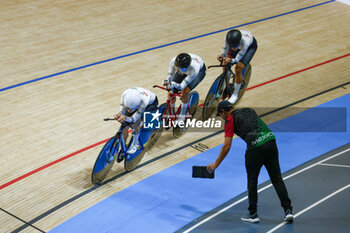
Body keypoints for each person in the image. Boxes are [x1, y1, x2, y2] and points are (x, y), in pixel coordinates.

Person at [207, 100, 294, 223]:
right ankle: (288, 211)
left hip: (255, 148)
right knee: (277, 178)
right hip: (270, 142)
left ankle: (253, 214)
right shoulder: (249, 110)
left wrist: (216, 164)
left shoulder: (229, 120)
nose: (221, 118)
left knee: (252, 181)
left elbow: (226, 146)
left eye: (220, 115)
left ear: (222, 111)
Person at [217, 29, 258, 104]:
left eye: (235, 46)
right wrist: (221, 56)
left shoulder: (245, 42)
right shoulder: (227, 39)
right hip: (239, 45)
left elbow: (237, 59)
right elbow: (224, 52)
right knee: (225, 64)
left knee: (238, 68)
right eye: (231, 46)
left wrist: (231, 60)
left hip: (249, 48)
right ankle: (226, 85)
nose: (233, 48)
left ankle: (235, 95)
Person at [162, 53, 206, 122]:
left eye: (181, 69)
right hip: (186, 70)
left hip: (199, 72)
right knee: (170, 90)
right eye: (178, 68)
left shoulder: (194, 69)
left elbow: (181, 86)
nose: (179, 70)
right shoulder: (173, 61)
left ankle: (182, 116)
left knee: (185, 92)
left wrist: (173, 84)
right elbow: (170, 76)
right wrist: (166, 81)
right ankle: (172, 114)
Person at [114, 87, 158, 154]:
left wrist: (126, 117)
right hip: (135, 104)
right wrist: (120, 114)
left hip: (150, 104)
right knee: (125, 124)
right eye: (128, 108)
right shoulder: (125, 95)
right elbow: (122, 110)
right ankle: (122, 146)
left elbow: (134, 119)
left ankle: (136, 144)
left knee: (136, 124)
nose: (129, 111)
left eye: (131, 109)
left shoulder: (144, 102)